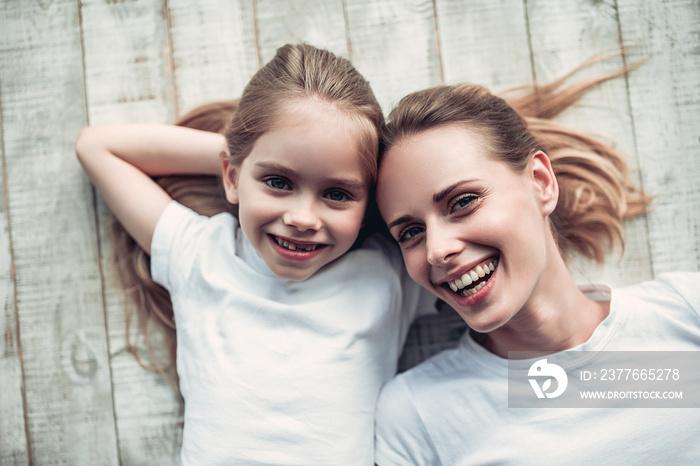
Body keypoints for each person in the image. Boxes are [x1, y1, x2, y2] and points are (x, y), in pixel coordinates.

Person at [76, 43, 434, 465]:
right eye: (279, 182)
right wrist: (246, 154)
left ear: (367, 203)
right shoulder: (201, 254)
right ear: (230, 176)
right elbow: (96, 147)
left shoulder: (388, 272)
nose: (302, 218)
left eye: (337, 194)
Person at [373, 64, 700, 464]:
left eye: (462, 203)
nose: (436, 250)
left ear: (541, 183)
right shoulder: (416, 415)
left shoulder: (688, 311)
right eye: (410, 233)